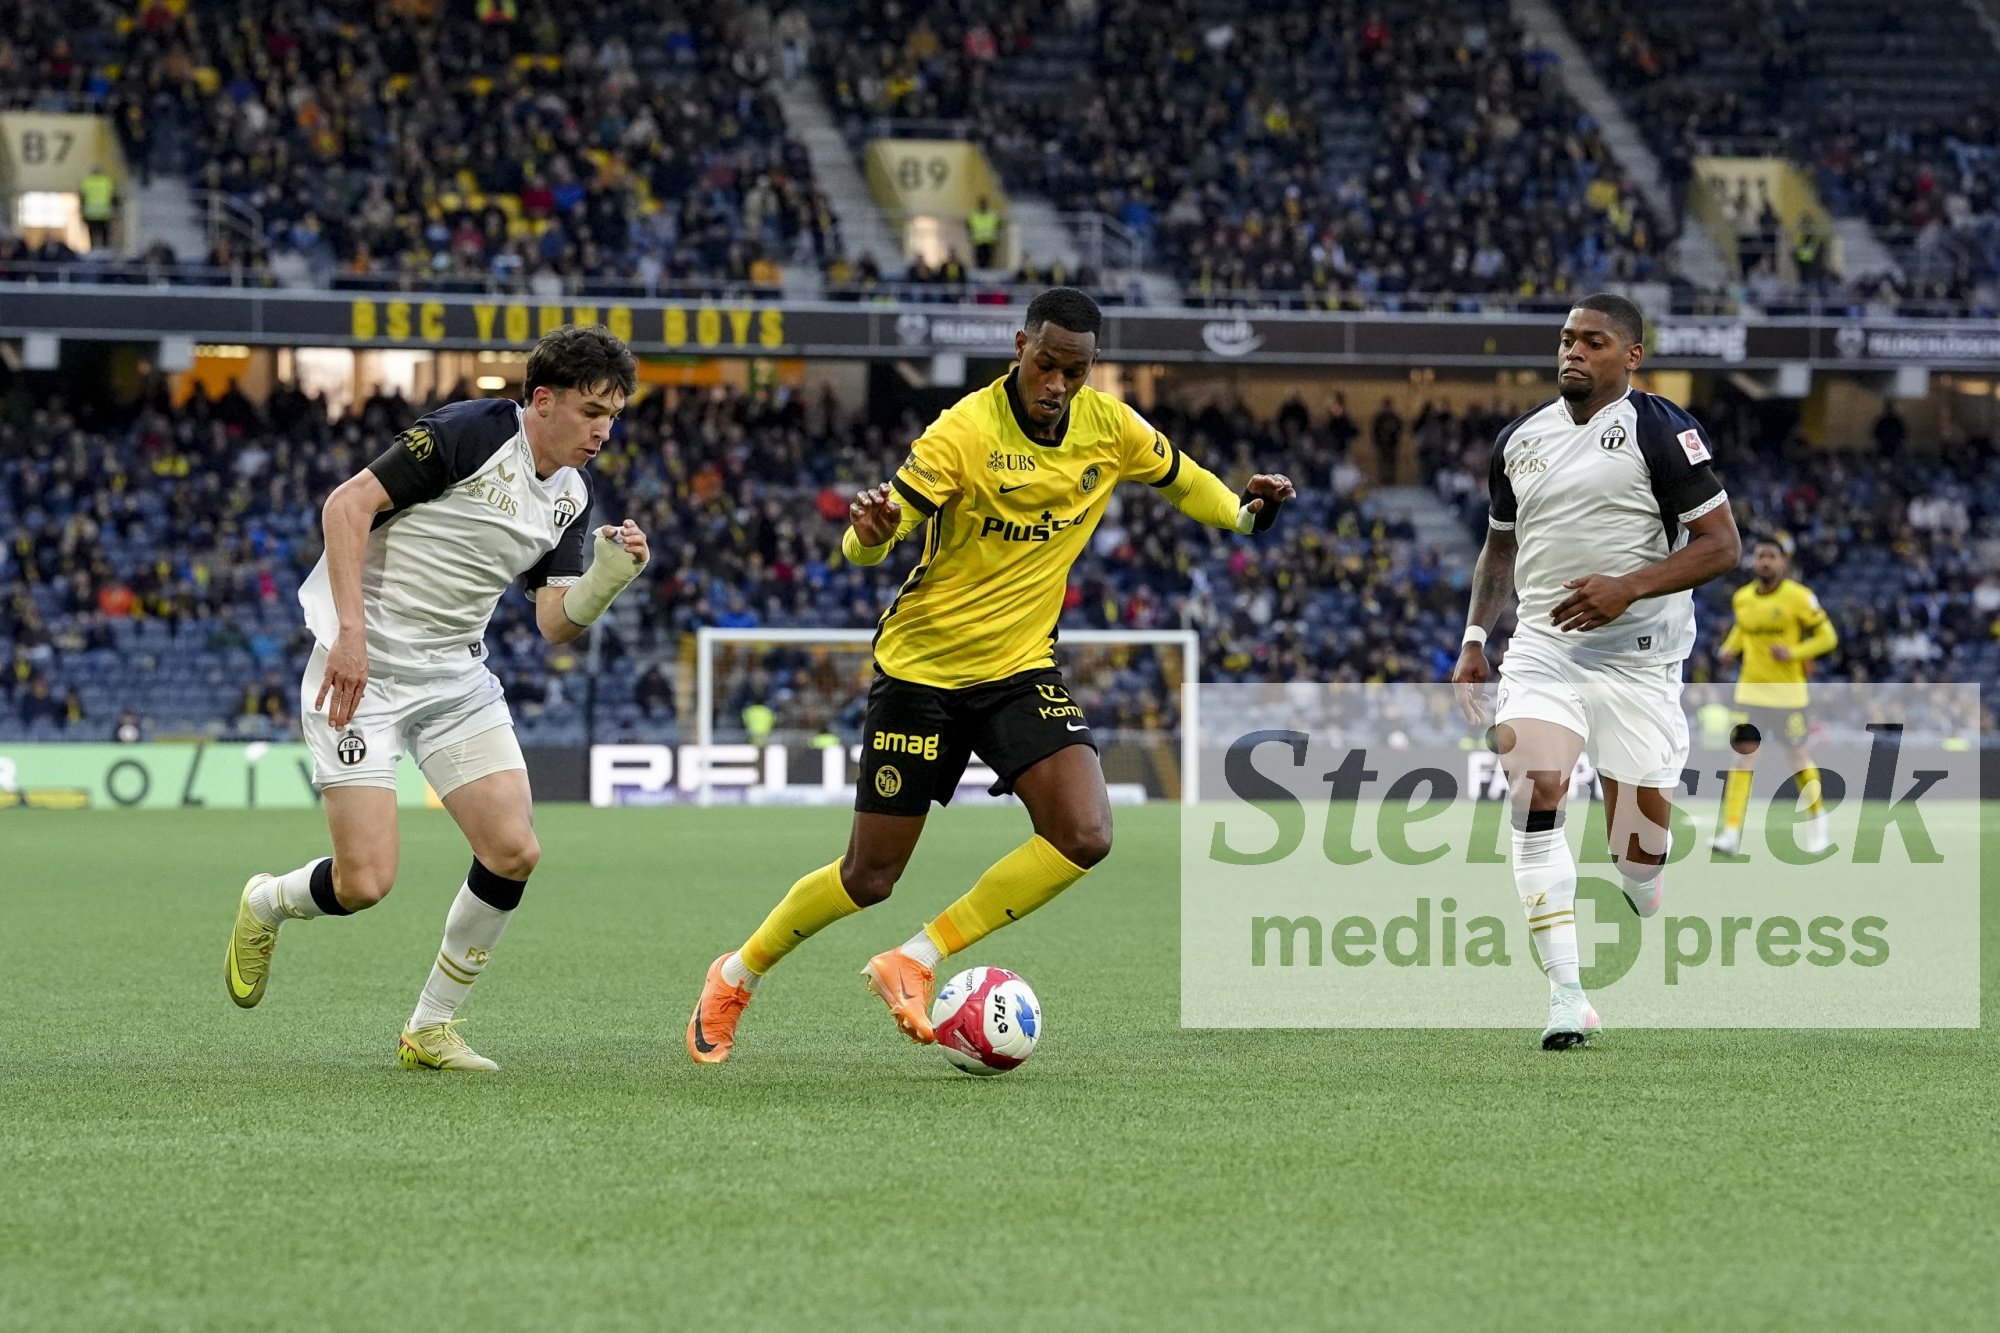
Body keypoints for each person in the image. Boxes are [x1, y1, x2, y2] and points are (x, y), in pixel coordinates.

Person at [687, 288, 1294, 1063]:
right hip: (922, 671)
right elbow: (871, 541)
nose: (1058, 385)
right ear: (1019, 347)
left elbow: (1184, 479)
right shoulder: (964, 432)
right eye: (1046, 365)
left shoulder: (1111, 428)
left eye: (1075, 371)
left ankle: (915, 957)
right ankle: (735, 974)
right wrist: (867, 537)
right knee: (870, 875)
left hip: (1018, 669)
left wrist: (1244, 514)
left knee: (1084, 833)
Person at [222, 326, 650, 1072]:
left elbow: (554, 623)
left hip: (455, 679)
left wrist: (608, 576)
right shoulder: (470, 432)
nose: (603, 431)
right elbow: (346, 507)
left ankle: (430, 1028)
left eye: (612, 415)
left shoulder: (572, 498)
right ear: (542, 400)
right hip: (362, 672)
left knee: (514, 850)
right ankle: (266, 902)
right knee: (365, 883)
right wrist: (350, 635)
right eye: (591, 411)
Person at [1450, 293, 1741, 1050]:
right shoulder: (1520, 439)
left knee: (1637, 852)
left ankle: (1644, 880)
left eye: (1594, 341)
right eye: (1566, 339)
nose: (1573, 352)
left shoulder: (1661, 428)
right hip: (1544, 649)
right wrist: (1476, 637)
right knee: (1535, 786)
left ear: (1631, 356)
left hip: (1642, 662)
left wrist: (1628, 588)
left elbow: (1722, 545)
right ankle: (1567, 993)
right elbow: (1500, 547)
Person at [1711, 536, 1837, 856]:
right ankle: (1730, 832)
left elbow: (1828, 637)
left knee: (1797, 760)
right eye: (1760, 556)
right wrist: (1730, 648)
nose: (1765, 561)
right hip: (1750, 693)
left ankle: (1818, 820)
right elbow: (1743, 628)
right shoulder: (1742, 598)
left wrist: (1794, 652)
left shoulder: (1799, 597)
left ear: (1783, 562)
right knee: (1742, 758)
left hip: (1788, 697)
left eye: (1771, 556)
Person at [79, 166, 116, 251]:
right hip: (104, 213)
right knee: (104, 235)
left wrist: (82, 213)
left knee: (92, 235)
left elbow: (82, 198)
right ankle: (105, 252)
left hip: (90, 213)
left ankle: (93, 250)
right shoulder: (107, 181)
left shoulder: (86, 182)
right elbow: (113, 198)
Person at [967, 197, 1002, 270]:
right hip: (978, 240)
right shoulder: (974, 215)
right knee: (979, 258)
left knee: (988, 259)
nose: (983, 206)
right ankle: (980, 270)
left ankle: (987, 270)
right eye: (981, 204)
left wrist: (997, 237)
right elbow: (968, 227)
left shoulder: (993, 215)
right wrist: (970, 236)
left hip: (989, 240)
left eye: (984, 204)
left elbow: (999, 226)